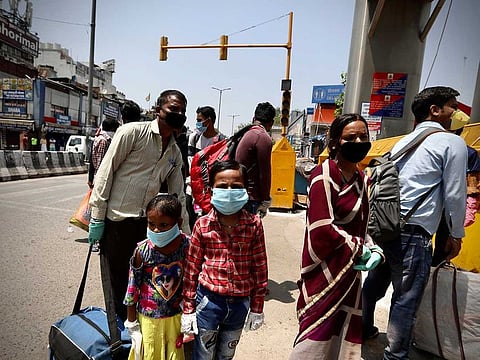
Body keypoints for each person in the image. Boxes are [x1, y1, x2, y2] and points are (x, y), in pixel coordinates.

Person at [379, 86, 467, 360]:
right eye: (453, 105)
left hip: (387, 225)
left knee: (378, 280)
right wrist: (455, 234)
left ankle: (365, 326)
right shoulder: (452, 142)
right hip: (415, 233)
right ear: (435, 110)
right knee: (406, 298)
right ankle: (395, 356)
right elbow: (455, 193)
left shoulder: (403, 142)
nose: (458, 112)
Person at [88, 89, 191, 321]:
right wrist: (97, 216)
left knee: (139, 281)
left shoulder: (174, 152)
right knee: (117, 281)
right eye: (173, 109)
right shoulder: (131, 133)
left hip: (146, 226)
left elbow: (178, 197)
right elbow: (106, 172)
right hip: (117, 221)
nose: (179, 114)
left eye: (183, 111)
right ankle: (118, 333)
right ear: (157, 110)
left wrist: (186, 234)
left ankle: (134, 327)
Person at [289, 113, 383, 360]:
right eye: (351, 137)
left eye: (364, 136)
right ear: (335, 143)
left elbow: (361, 226)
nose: (359, 141)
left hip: (350, 273)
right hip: (324, 273)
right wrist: (359, 248)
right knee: (316, 333)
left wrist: (372, 248)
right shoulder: (324, 174)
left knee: (342, 334)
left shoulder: (362, 179)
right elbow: (321, 229)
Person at [181, 159, 268, 360]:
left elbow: (260, 268)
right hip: (209, 301)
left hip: (239, 305)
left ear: (246, 190)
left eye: (236, 187)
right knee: (203, 355)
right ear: (211, 190)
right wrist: (188, 309)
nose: (229, 191)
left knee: (226, 355)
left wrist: (257, 308)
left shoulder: (254, 225)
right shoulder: (202, 225)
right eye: (222, 186)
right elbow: (191, 270)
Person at [123, 194, 190, 360]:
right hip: (149, 320)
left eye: (163, 225)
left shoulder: (187, 246)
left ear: (179, 223)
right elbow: (133, 288)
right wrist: (132, 324)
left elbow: (192, 281)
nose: (156, 230)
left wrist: (190, 312)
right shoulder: (143, 251)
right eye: (151, 224)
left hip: (176, 317)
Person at [431, 109, 480, 266]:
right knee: (443, 245)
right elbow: (472, 188)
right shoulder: (469, 153)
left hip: (429, 203)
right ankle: (437, 267)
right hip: (451, 208)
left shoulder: (430, 148)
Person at [186, 106, 226, 228]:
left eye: (200, 120)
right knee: (189, 212)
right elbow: (191, 161)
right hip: (193, 183)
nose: (198, 123)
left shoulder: (220, 140)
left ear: (208, 121)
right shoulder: (194, 138)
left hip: (210, 188)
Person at [235, 102, 276, 217]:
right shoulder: (263, 137)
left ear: (254, 118)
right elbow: (264, 173)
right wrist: (266, 199)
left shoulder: (247, 133)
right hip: (250, 198)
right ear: (271, 123)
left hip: (239, 194)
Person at [88, 117, 120, 189]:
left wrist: (90, 178)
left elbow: (91, 161)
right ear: (112, 129)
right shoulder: (103, 141)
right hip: (102, 179)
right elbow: (100, 162)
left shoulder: (100, 138)